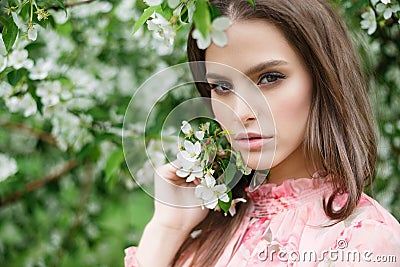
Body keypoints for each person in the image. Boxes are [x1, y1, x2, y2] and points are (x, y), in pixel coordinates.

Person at [125, 0, 400, 266]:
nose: (241, 112)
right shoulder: (212, 226)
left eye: (269, 78)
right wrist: (168, 227)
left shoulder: (362, 240)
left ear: (323, 78)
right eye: (221, 87)